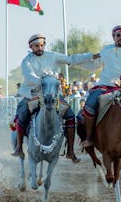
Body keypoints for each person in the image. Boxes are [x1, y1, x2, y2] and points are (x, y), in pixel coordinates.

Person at [13, 34, 94, 162]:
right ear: (31, 47)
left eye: (41, 45)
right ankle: (18, 147)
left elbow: (71, 59)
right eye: (36, 46)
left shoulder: (53, 55)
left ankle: (70, 151)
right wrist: (44, 81)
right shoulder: (27, 61)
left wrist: (91, 56)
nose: (40, 48)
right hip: (33, 95)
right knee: (22, 113)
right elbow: (30, 76)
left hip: (54, 96)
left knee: (71, 116)